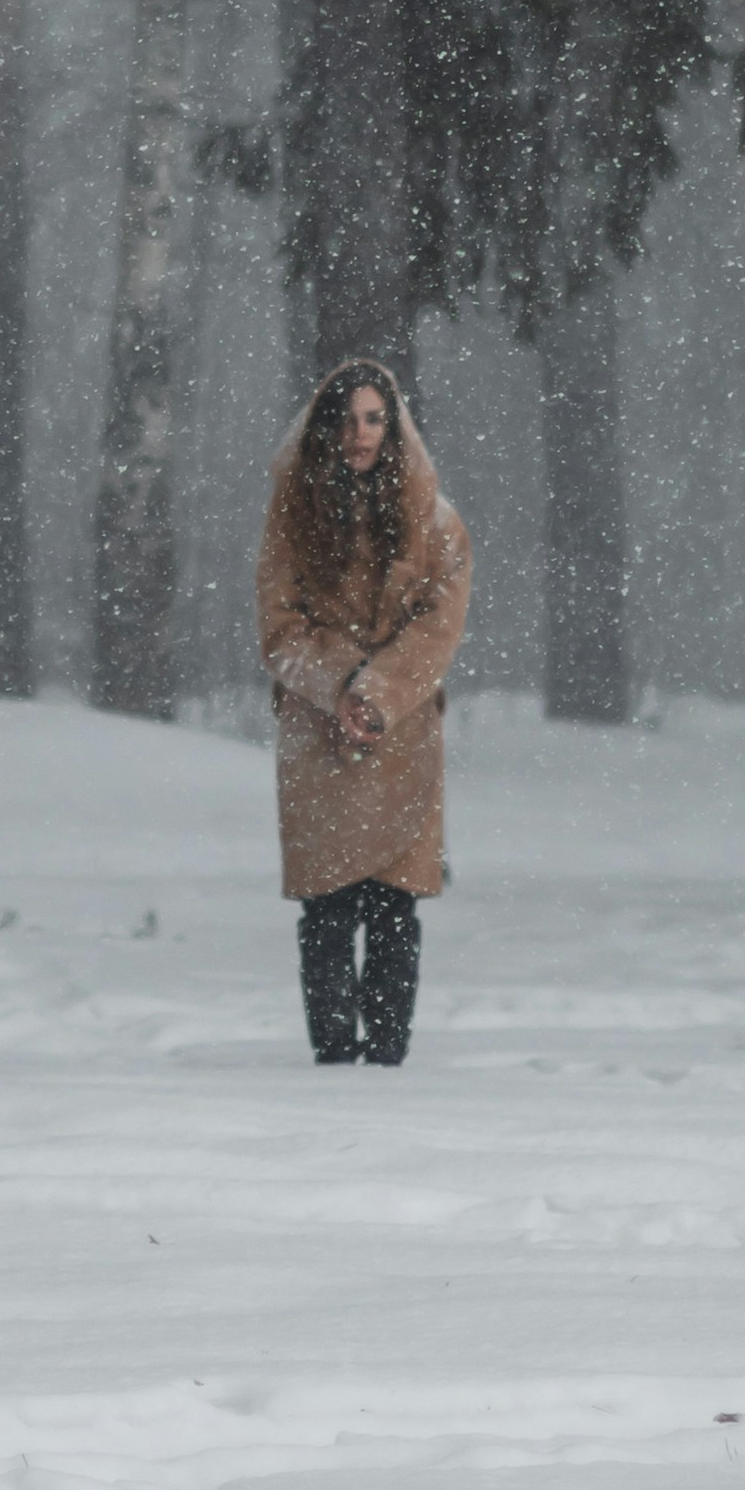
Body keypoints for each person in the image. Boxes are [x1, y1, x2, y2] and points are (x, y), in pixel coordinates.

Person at [254, 358, 473, 1066]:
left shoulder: (435, 523)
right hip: (315, 734)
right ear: (323, 426)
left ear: (394, 422)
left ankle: (386, 1064)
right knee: (326, 909)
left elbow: (439, 627)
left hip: (402, 732)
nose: (359, 433)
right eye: (346, 418)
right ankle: (332, 1060)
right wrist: (340, 683)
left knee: (392, 908)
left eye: (375, 417)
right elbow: (279, 632)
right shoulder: (290, 518)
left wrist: (377, 693)